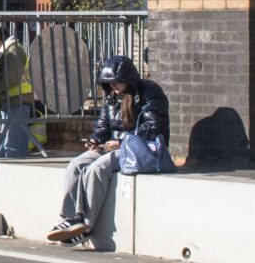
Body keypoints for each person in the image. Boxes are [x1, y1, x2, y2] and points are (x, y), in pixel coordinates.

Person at [46, 55, 169, 247]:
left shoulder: (149, 91)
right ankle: (70, 219)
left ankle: (85, 226)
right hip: (113, 145)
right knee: (76, 164)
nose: (114, 86)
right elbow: (103, 125)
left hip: (139, 147)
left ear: (129, 78)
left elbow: (154, 127)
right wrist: (96, 139)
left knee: (97, 168)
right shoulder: (112, 96)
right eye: (110, 83)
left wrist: (121, 142)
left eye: (118, 82)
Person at [0, 25, 34, 158]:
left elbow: (10, 78)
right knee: (6, 145)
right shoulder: (7, 50)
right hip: (11, 101)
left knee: (13, 147)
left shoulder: (14, 49)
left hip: (18, 101)